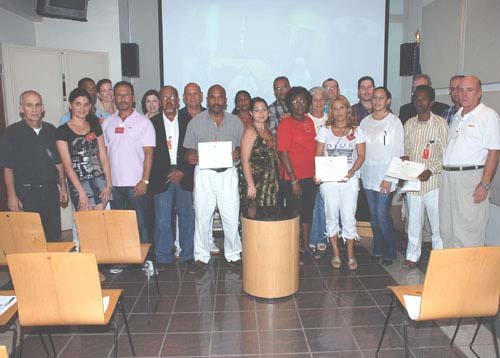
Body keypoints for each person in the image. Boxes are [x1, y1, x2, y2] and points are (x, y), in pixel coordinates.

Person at [183, 84, 244, 272]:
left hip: (228, 173)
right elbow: (188, 151)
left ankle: (233, 254)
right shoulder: (195, 122)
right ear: (207, 100)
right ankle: (201, 256)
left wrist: (237, 153)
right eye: (212, 97)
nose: (216, 101)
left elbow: (243, 147)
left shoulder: (236, 122)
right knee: (202, 215)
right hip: (204, 174)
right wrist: (190, 157)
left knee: (231, 216)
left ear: (225, 101)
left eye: (220, 97)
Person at [440, 75, 500, 248]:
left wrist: (485, 184)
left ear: (479, 93)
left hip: (470, 179)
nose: (464, 94)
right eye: (461, 90)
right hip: (448, 178)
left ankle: (468, 275)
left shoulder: (488, 116)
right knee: (447, 229)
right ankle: (453, 272)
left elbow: (494, 152)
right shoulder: (458, 116)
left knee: (468, 232)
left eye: (470, 90)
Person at [1, 90, 67, 242]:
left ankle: (53, 266)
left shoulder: (51, 130)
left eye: (37, 105)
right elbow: (8, 168)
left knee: (53, 237)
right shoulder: (12, 133)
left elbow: (59, 163)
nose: (34, 109)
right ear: (21, 109)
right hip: (26, 194)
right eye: (29, 105)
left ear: (43, 108)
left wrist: (63, 187)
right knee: (30, 239)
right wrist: (12, 196)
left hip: (50, 192)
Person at [315, 95, 366, 270]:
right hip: (329, 180)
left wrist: (352, 171)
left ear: (347, 109)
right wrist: (318, 173)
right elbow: (319, 155)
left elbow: (361, 155)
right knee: (331, 216)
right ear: (331, 111)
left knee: (348, 216)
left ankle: (351, 254)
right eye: (334, 109)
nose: (338, 112)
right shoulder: (324, 130)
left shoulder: (357, 131)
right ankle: (336, 253)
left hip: (349, 179)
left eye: (342, 108)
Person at [102, 81, 155, 244]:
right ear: (114, 98)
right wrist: (108, 183)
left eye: (126, 95)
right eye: (119, 95)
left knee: (142, 225)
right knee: (119, 226)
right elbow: (103, 154)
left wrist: (144, 180)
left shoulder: (144, 122)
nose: (122, 98)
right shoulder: (107, 123)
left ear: (133, 98)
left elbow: (149, 154)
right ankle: (123, 260)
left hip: (136, 185)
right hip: (115, 186)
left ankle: (146, 261)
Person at [149, 86, 194, 268]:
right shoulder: (152, 123)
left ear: (178, 101)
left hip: (184, 174)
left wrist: (181, 171)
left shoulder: (189, 120)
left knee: (187, 217)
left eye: (172, 97)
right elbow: (150, 153)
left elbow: (193, 149)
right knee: (162, 219)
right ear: (160, 102)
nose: (168, 101)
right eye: (164, 98)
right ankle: (163, 256)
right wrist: (168, 172)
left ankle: (188, 255)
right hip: (162, 176)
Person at [402, 85, 447, 268]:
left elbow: (445, 155)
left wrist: (431, 170)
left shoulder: (440, 124)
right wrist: (404, 160)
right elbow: (406, 150)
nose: (419, 102)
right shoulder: (409, 124)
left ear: (432, 102)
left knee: (436, 224)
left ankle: (439, 258)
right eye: (416, 99)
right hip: (413, 183)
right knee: (414, 222)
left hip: (433, 183)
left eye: (423, 99)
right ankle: (412, 256)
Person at [360, 87, 404, 266]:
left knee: (382, 214)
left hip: (386, 175)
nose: (377, 101)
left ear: (388, 101)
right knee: (374, 215)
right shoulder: (364, 122)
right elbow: (360, 150)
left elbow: (398, 152)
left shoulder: (394, 122)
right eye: (374, 98)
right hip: (368, 174)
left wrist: (390, 178)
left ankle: (390, 250)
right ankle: (378, 248)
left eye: (381, 98)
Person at [56, 88, 112, 211]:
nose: (82, 108)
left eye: (86, 104)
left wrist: (108, 184)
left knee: (101, 222)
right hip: (78, 183)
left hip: (99, 180)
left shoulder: (95, 125)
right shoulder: (61, 131)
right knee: (86, 224)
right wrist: (81, 192)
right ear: (70, 105)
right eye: (78, 104)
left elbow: (103, 156)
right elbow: (67, 165)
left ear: (90, 106)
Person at [277, 86, 316, 253]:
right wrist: (294, 180)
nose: (299, 104)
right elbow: (282, 152)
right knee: (294, 214)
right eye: (295, 101)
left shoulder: (309, 121)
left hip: (310, 176)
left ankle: (305, 246)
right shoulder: (286, 123)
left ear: (307, 102)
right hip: (292, 179)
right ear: (289, 104)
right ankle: (293, 249)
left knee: (307, 212)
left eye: (302, 100)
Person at [240, 97, 278, 217]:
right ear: (251, 113)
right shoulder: (250, 131)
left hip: (269, 183)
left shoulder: (268, 130)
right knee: (255, 222)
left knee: (269, 220)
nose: (261, 113)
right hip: (255, 183)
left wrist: (275, 181)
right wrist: (250, 185)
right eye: (257, 110)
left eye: (264, 110)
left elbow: (273, 159)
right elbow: (244, 160)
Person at [308, 87, 329, 254]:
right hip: (307, 168)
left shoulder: (331, 120)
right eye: (315, 100)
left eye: (321, 99)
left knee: (322, 205)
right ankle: (310, 238)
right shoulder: (305, 119)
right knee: (311, 206)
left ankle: (320, 238)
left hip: (327, 168)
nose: (318, 103)